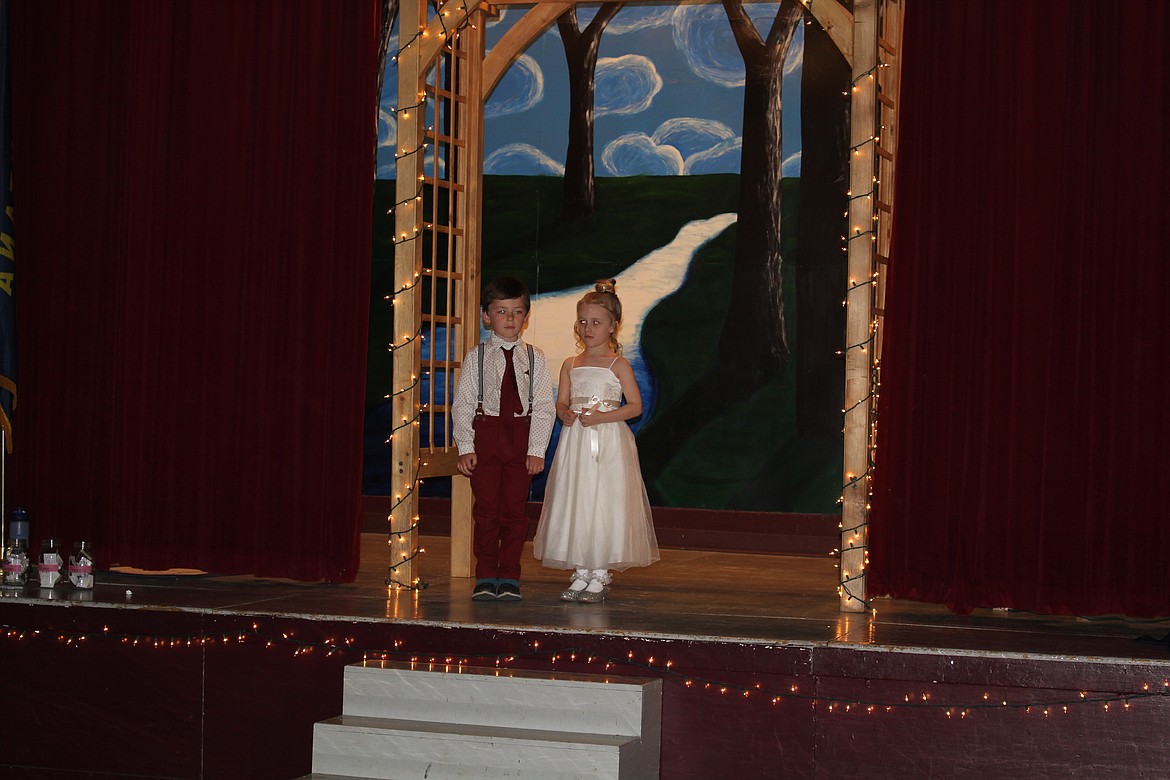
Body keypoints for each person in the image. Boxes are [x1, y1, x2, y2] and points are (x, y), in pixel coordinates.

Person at [533, 279, 660, 602]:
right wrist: (566, 414)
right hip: (577, 441)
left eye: (596, 323)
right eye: (583, 321)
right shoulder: (570, 364)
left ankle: (600, 571)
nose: (588, 328)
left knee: (604, 499)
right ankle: (581, 569)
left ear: (613, 327)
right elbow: (561, 402)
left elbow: (635, 406)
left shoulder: (618, 365)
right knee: (577, 497)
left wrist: (602, 417)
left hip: (607, 442)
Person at [452, 277, 555, 602]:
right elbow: (464, 404)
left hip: (520, 440)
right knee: (486, 511)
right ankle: (486, 574)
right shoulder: (476, 357)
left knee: (514, 511)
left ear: (526, 316)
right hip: (486, 438)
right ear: (487, 316)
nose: (510, 319)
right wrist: (466, 447)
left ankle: (509, 574)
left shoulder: (536, 358)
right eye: (501, 312)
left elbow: (543, 407)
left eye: (517, 312)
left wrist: (537, 449)